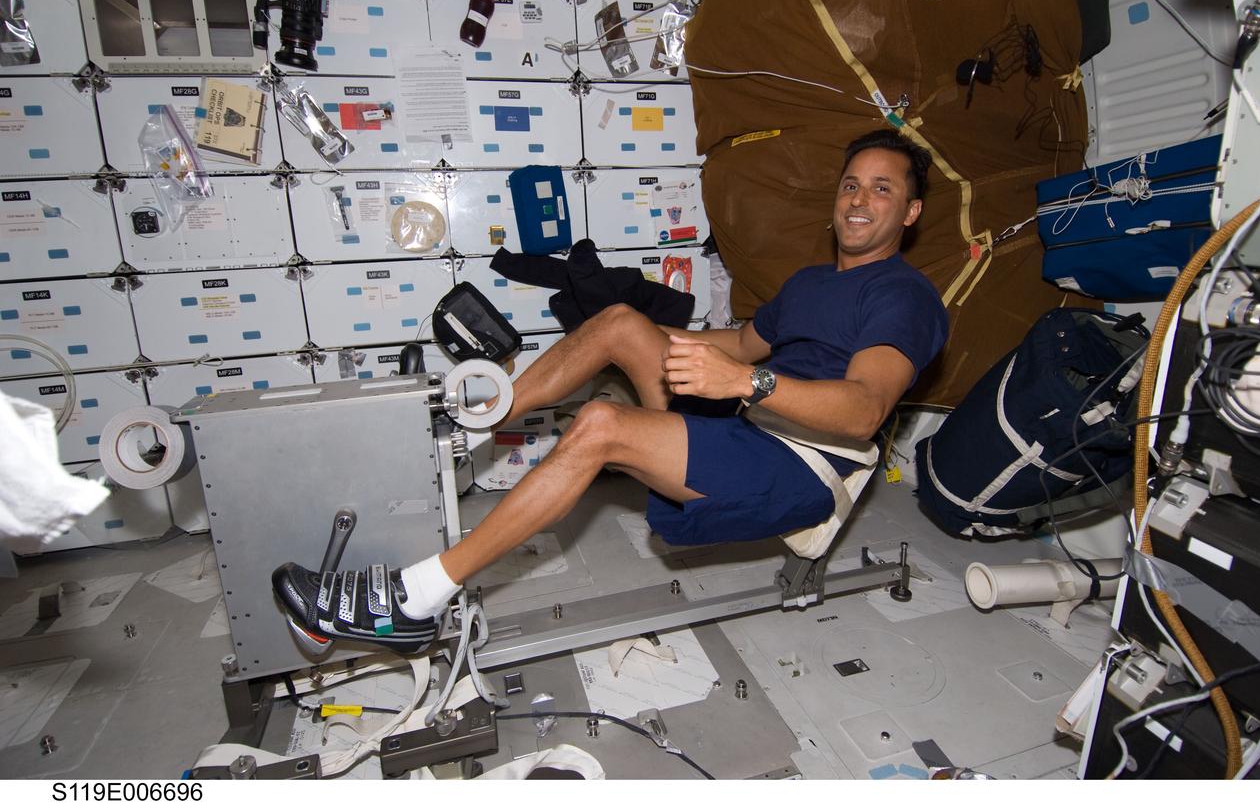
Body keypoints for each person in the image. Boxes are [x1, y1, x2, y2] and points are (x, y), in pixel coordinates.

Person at [271, 128, 950, 653]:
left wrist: (745, 382)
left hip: (804, 464)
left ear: (911, 210)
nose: (861, 201)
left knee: (601, 423)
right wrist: (640, 336)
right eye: (852, 185)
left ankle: (412, 604)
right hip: (751, 421)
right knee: (622, 320)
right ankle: (472, 428)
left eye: (883, 189)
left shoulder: (903, 296)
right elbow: (739, 344)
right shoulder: (810, 284)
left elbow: (863, 410)